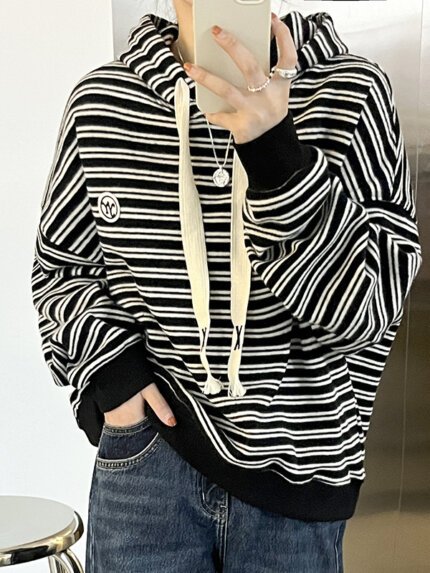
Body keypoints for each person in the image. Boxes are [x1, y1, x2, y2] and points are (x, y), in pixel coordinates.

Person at [31, 1, 422, 571]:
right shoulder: (103, 102)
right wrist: (114, 381)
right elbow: (63, 271)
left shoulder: (352, 95)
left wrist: (275, 153)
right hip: (149, 459)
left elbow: (371, 305)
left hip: (300, 471)